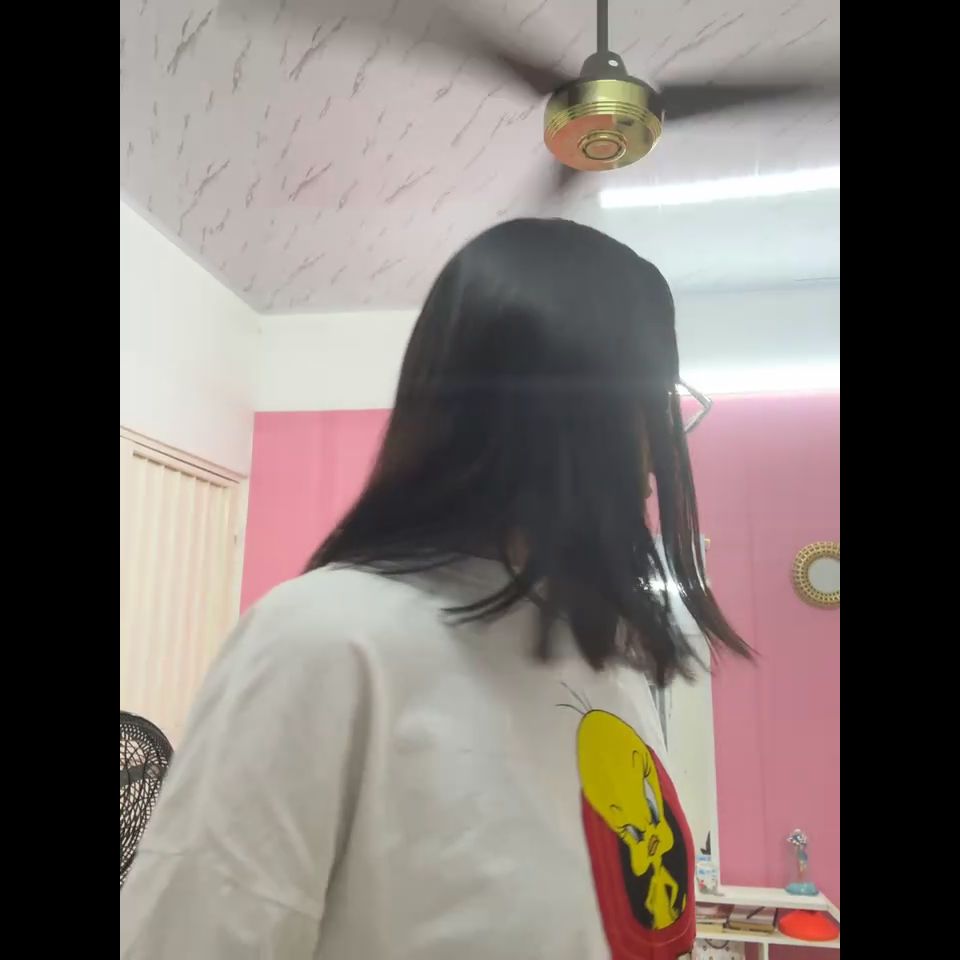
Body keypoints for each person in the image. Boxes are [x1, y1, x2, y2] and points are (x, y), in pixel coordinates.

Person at [120, 218, 750, 960]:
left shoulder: (607, 653)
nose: (659, 448)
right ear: (577, 416)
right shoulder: (327, 642)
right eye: (653, 402)